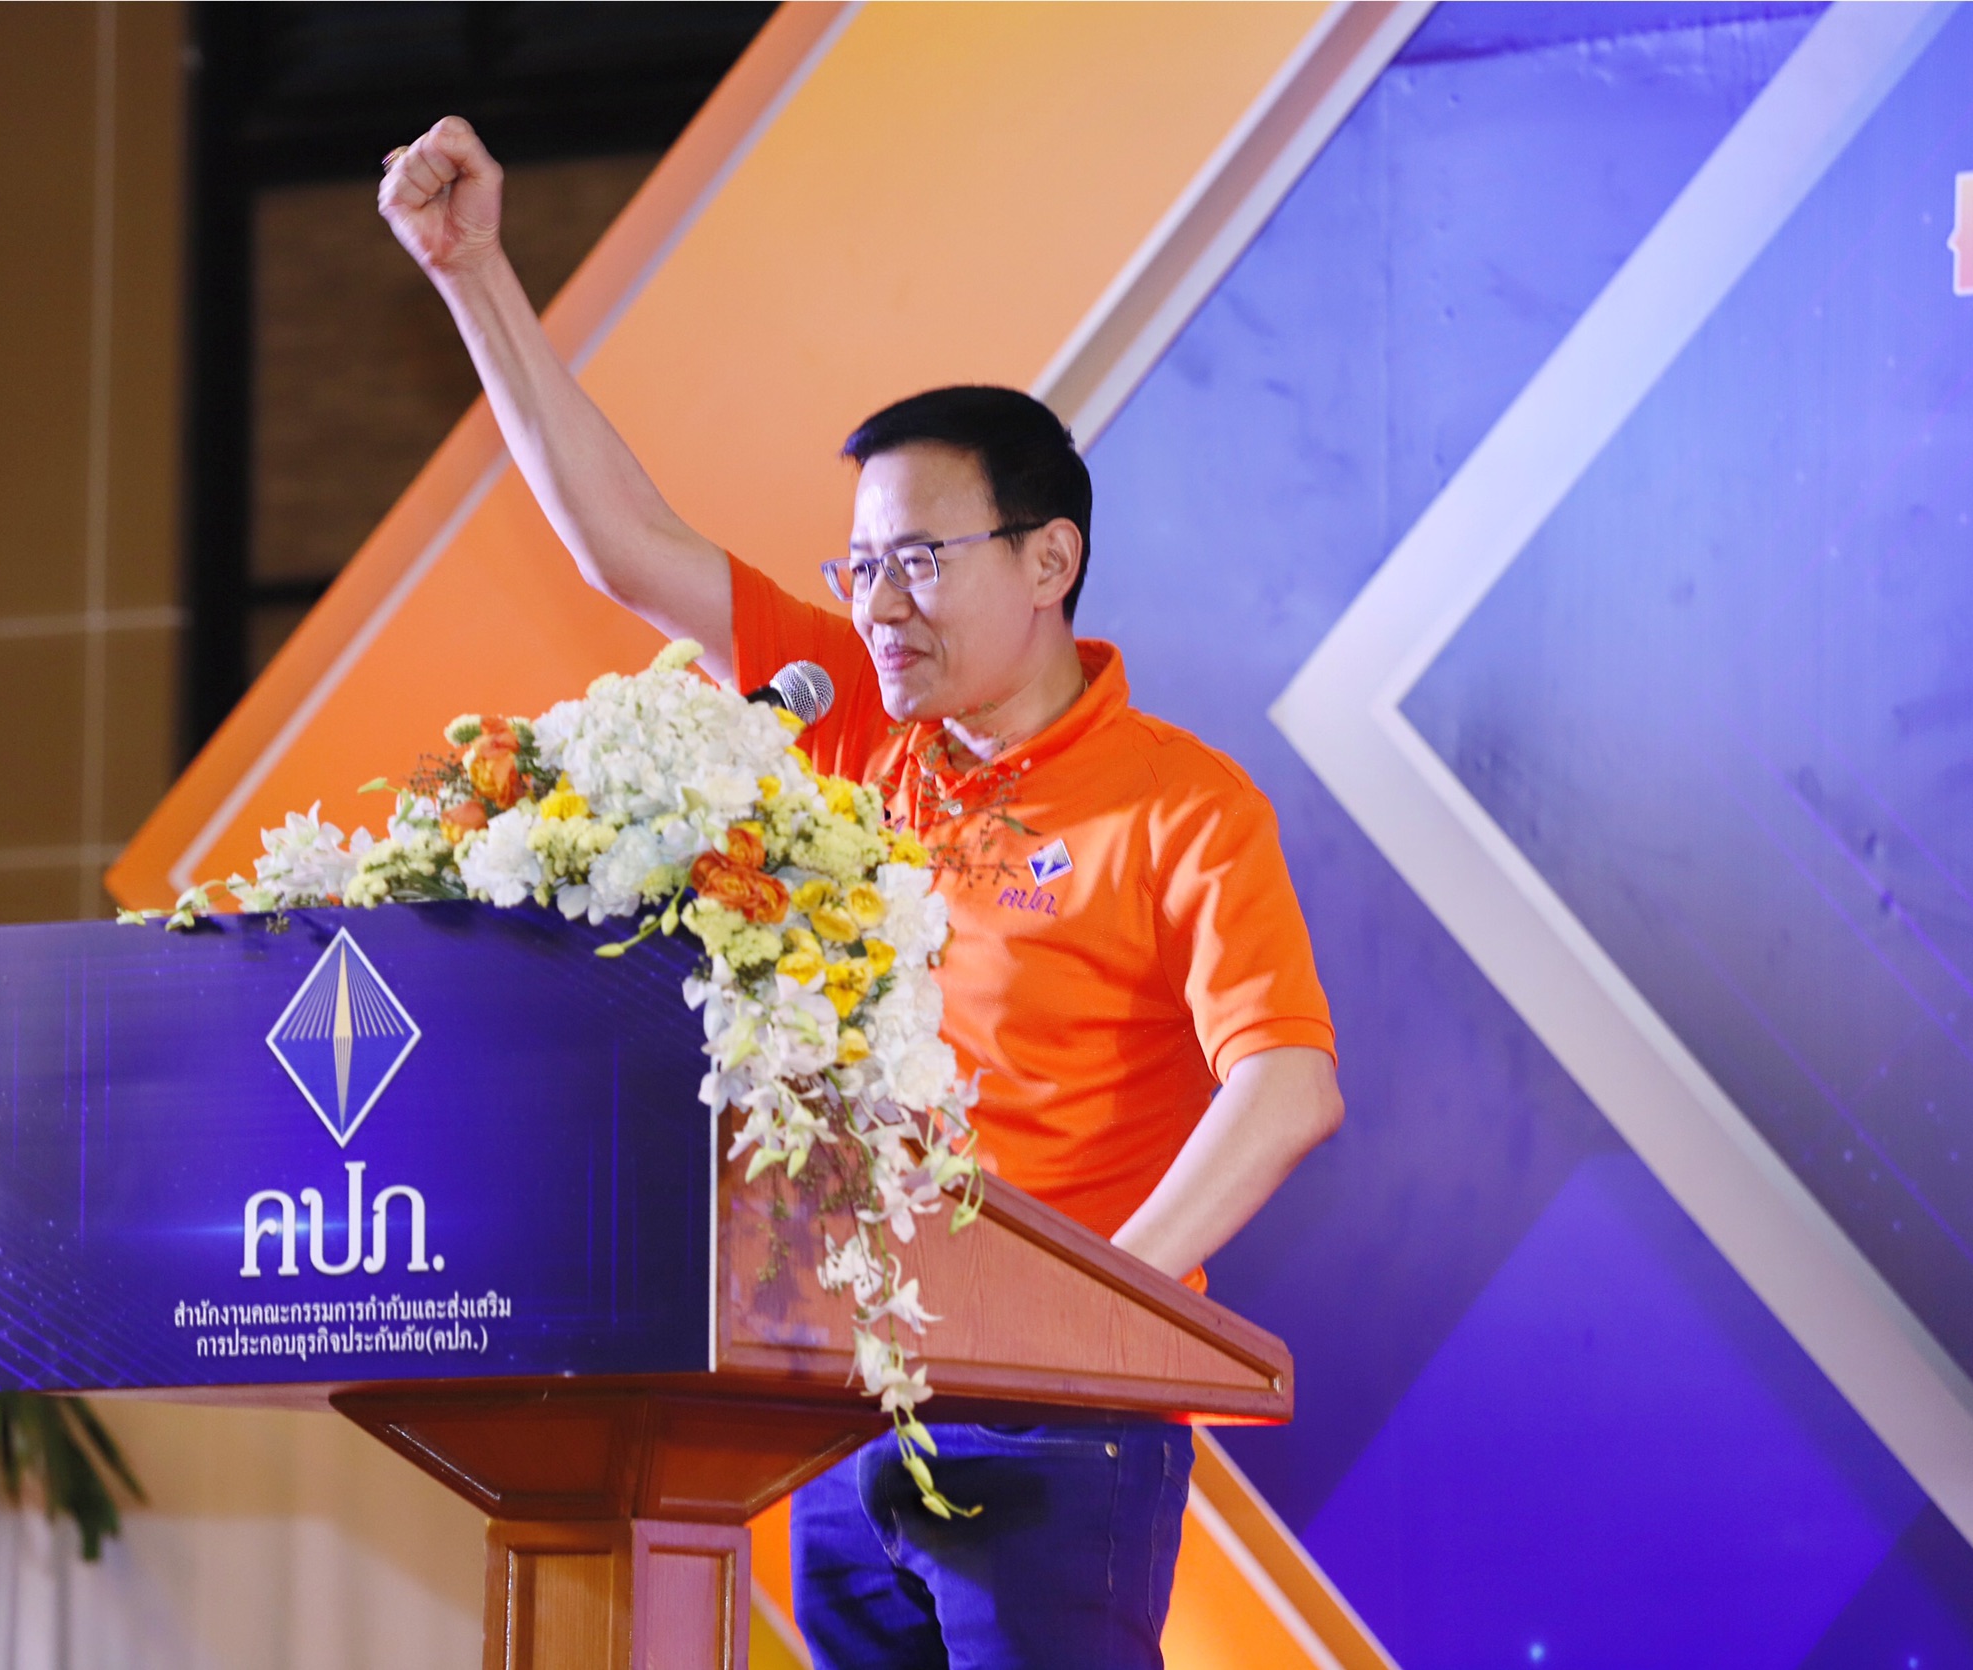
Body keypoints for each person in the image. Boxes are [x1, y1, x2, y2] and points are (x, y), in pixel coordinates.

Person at [381, 115, 1345, 1670]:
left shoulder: (1182, 801)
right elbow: (624, 545)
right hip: (846, 1406)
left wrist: (1091, 1303)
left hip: (1056, 1420)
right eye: (858, 568)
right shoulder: (846, 726)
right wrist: (472, 273)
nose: (879, 607)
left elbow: (1285, 1087)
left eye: (918, 561)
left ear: (1048, 559)